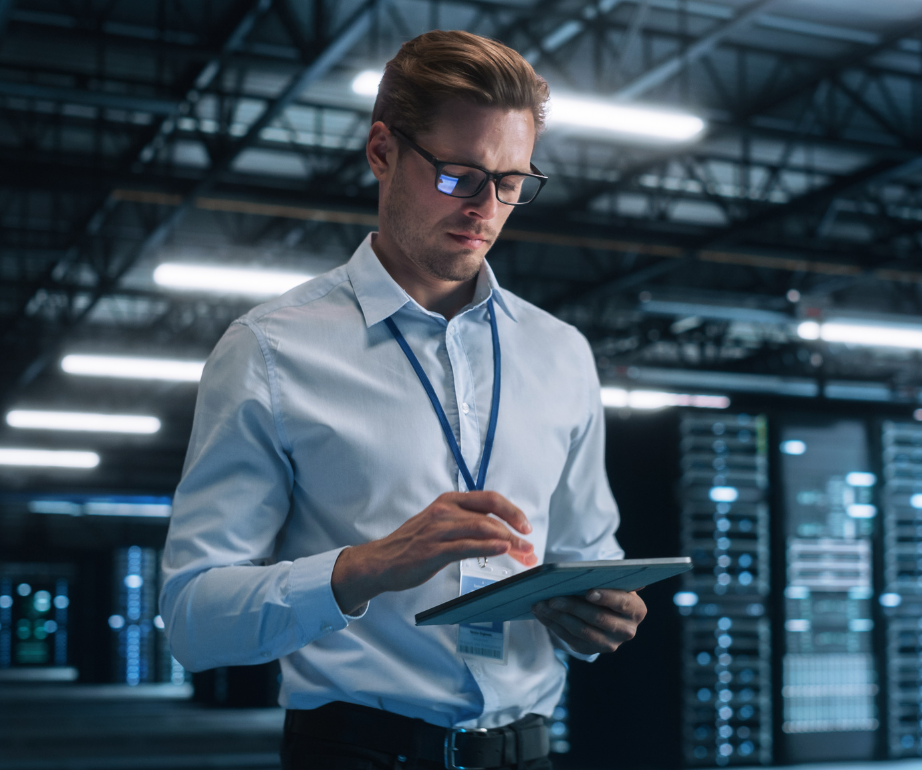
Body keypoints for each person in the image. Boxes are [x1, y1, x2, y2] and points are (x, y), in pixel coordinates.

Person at [159, 29, 647, 770]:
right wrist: (369, 566)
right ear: (382, 151)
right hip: (357, 753)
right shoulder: (271, 350)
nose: (487, 207)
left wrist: (596, 612)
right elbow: (193, 620)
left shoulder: (561, 354)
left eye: (512, 181)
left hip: (531, 754)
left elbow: (587, 557)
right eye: (458, 174)